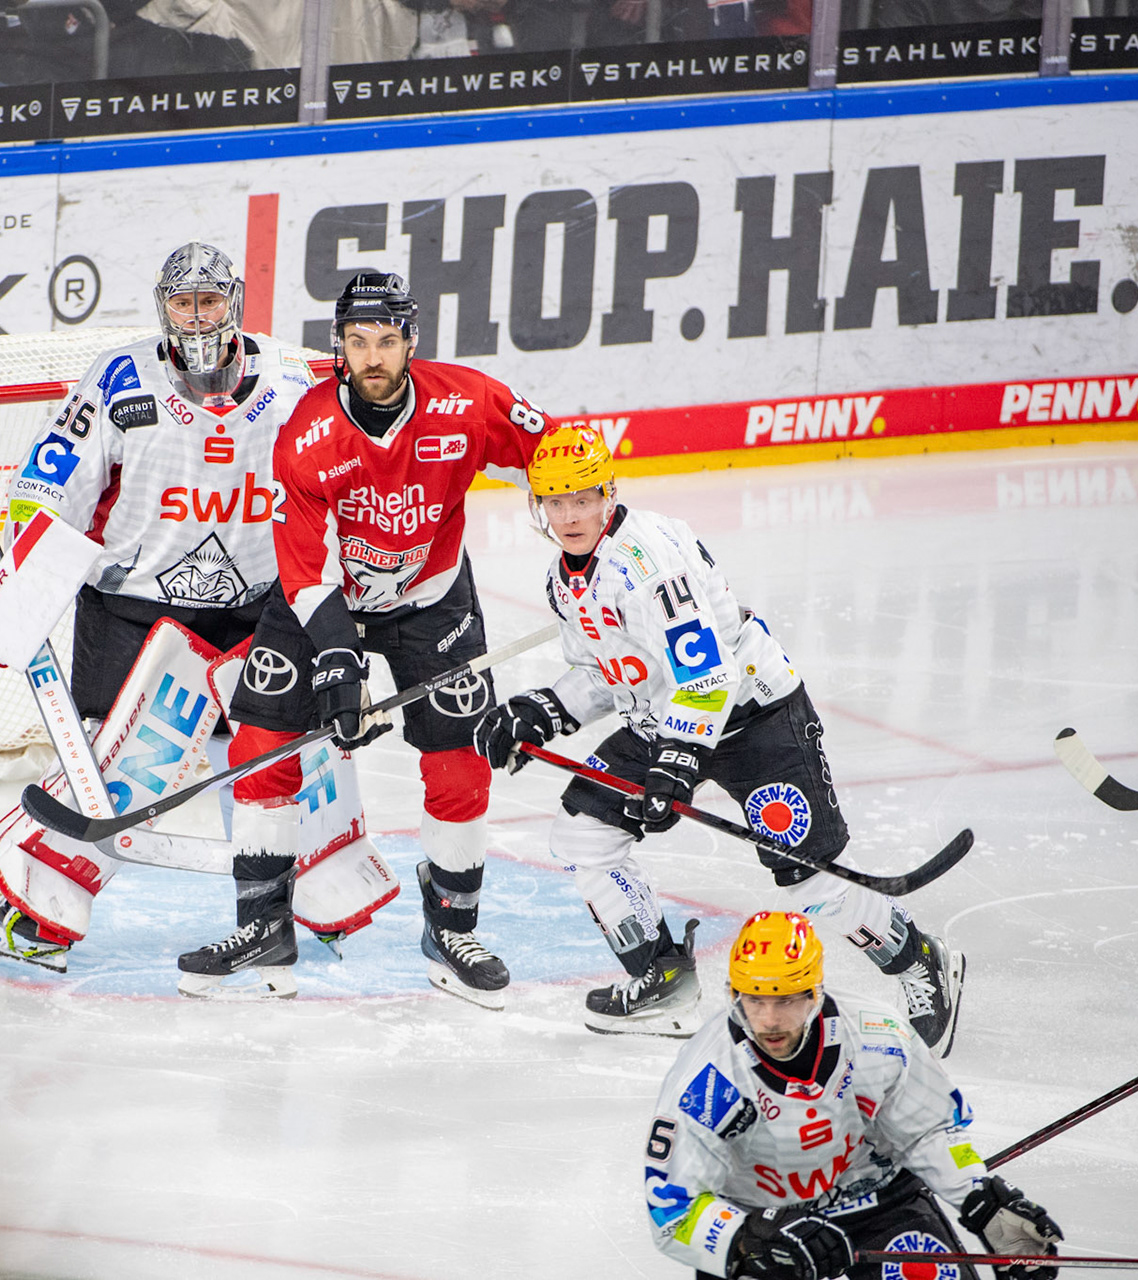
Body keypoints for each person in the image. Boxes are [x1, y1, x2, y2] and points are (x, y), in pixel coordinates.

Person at [471, 425, 966, 1046]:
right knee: (583, 832)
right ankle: (661, 977)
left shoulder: (647, 563)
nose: (569, 515)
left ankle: (920, 960)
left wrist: (676, 760)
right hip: (667, 720)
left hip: (755, 718)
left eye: (583, 498)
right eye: (555, 501)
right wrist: (543, 710)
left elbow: (708, 673)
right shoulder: (563, 578)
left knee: (810, 881)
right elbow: (613, 671)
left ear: (608, 494)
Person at [181, 269, 554, 1007]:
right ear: (339, 347)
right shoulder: (308, 433)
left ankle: (452, 932)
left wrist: (592, 555)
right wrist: (339, 665)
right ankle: (263, 929)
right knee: (260, 743)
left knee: (460, 764)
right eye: (358, 341)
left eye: (386, 340)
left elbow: (560, 455)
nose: (373, 356)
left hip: (431, 599)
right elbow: (304, 567)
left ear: (411, 340)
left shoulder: (467, 402)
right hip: (325, 598)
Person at [0, 242, 327, 973]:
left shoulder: (291, 378)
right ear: (164, 307)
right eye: (183, 302)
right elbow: (47, 482)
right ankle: (33, 910)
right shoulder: (120, 378)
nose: (197, 315)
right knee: (116, 763)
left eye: (210, 300)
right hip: (132, 607)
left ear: (235, 302)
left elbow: (330, 473)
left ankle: (279, 910)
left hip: (255, 606)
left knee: (269, 755)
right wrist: (30, 574)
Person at [643, 910, 1063, 1280]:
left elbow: (928, 1131)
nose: (768, 1021)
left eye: (785, 1000)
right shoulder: (706, 1080)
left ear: (814, 993)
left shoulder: (879, 1035)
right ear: (734, 995)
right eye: (754, 1000)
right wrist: (744, 1239)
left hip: (876, 1200)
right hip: (765, 1224)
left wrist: (979, 1197)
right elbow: (671, 1209)